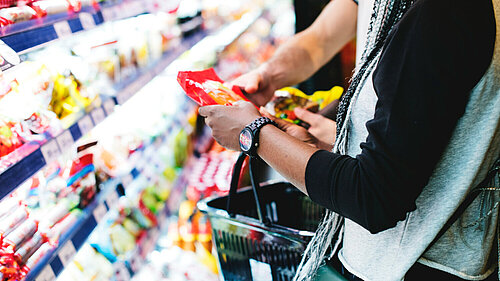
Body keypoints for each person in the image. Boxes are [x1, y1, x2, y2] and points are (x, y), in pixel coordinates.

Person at [198, 0, 500, 280]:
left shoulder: (443, 15)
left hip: (411, 263)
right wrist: (328, 144)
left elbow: (374, 197)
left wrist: (254, 134)